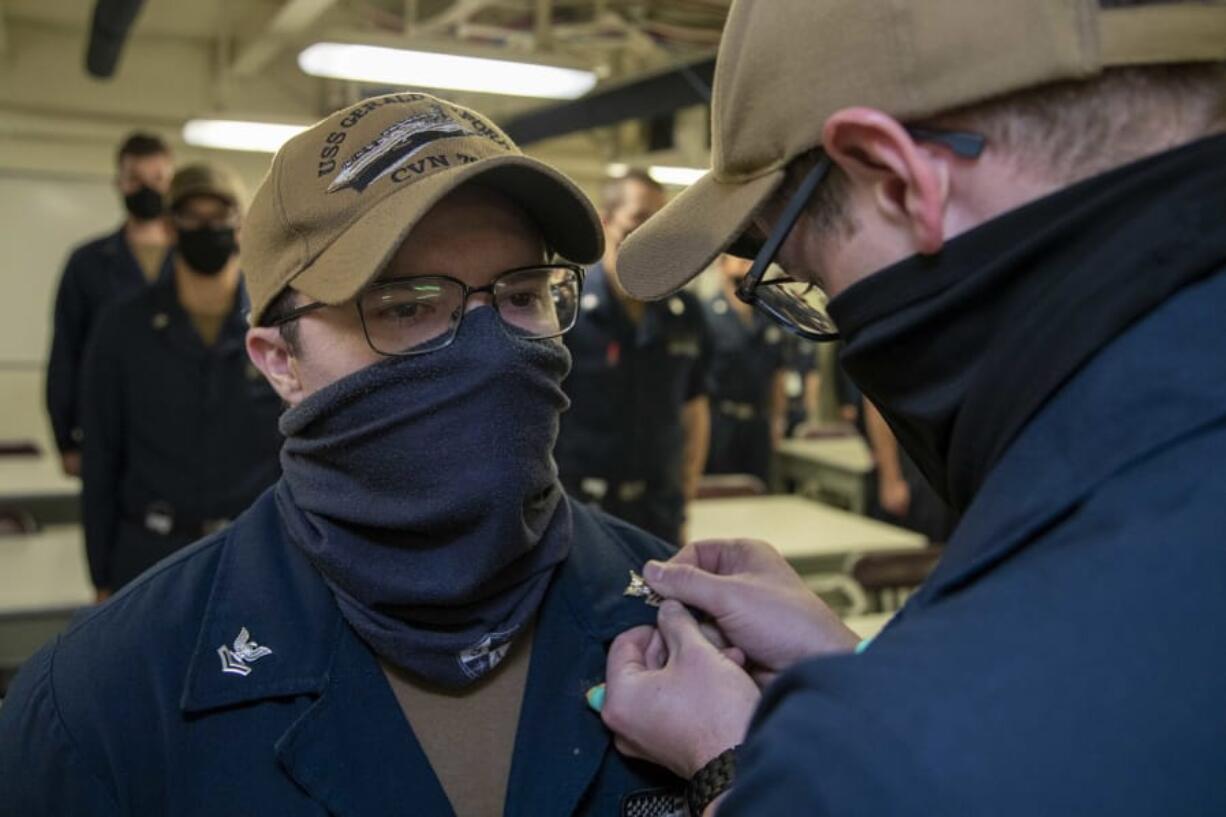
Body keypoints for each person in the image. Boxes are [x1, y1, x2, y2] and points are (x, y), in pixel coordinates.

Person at [597, 0, 1226, 814]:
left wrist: (748, 768)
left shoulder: (873, 760)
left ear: (900, 179)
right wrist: (857, 663)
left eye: (809, 280)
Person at [0, 93, 685, 816]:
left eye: (523, 294)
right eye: (406, 305)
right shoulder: (103, 707)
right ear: (278, 361)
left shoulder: (687, 635)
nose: (492, 350)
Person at [79, 163, 283, 600]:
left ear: (242, 227)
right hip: (149, 557)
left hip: (253, 553)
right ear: (170, 228)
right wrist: (101, 577)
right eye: (192, 216)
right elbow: (100, 456)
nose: (207, 229)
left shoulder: (277, 325)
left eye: (220, 216)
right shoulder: (121, 327)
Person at [556, 169, 712, 544]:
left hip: (659, 509)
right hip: (582, 510)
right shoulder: (565, 309)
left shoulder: (684, 311)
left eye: (661, 222)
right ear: (606, 221)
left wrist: (686, 487)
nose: (650, 233)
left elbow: (694, 406)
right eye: (639, 219)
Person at [45, 132, 175, 476]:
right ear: (119, 183)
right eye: (135, 179)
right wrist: (66, 439)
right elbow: (66, 351)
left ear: (172, 183)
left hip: (182, 422)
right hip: (107, 424)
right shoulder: (87, 263)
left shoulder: (198, 260)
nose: (147, 188)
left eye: (157, 178)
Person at [701, 254, 787, 485]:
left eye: (750, 259)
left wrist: (778, 421)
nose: (745, 263)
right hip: (722, 424)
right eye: (737, 257)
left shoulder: (768, 316)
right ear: (721, 266)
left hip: (758, 425)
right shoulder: (707, 316)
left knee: (759, 493)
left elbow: (777, 374)